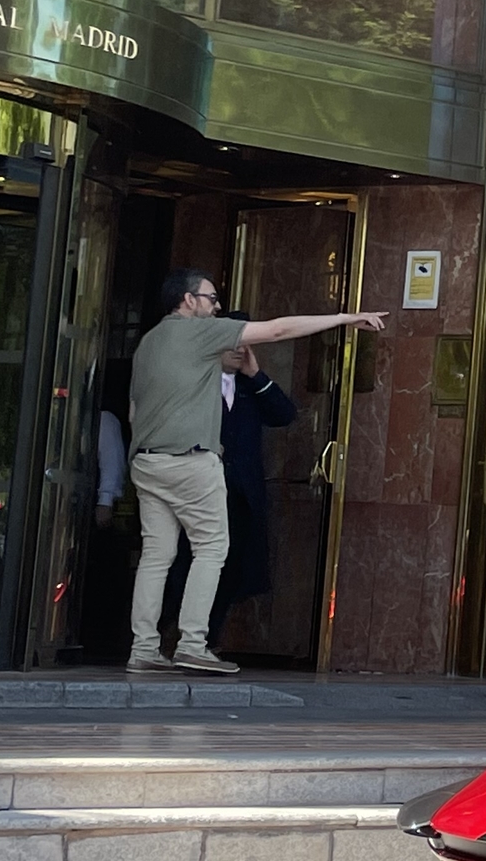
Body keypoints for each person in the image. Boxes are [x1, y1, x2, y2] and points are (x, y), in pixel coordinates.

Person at [128, 270, 382, 674]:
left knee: (157, 556)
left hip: (146, 460)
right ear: (188, 301)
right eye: (211, 299)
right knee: (211, 549)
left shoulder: (150, 342)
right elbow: (279, 330)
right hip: (190, 460)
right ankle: (193, 642)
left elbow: (135, 409)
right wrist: (345, 319)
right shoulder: (200, 332)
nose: (216, 307)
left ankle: (143, 648)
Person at [160, 315, 298, 649]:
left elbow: (284, 414)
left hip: (239, 496)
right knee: (184, 563)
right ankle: (167, 631)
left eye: (245, 342)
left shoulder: (252, 386)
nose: (239, 349)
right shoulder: (195, 382)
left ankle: (207, 639)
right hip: (198, 489)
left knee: (230, 568)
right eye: (231, 341)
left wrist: (256, 374)